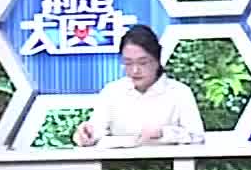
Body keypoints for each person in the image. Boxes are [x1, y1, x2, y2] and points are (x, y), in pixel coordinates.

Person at [73, 24, 206, 147]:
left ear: (157, 60)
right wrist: (87, 134)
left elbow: (197, 136)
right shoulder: (112, 92)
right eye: (128, 63)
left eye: (142, 63)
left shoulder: (179, 92)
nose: (135, 70)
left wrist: (164, 133)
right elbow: (96, 131)